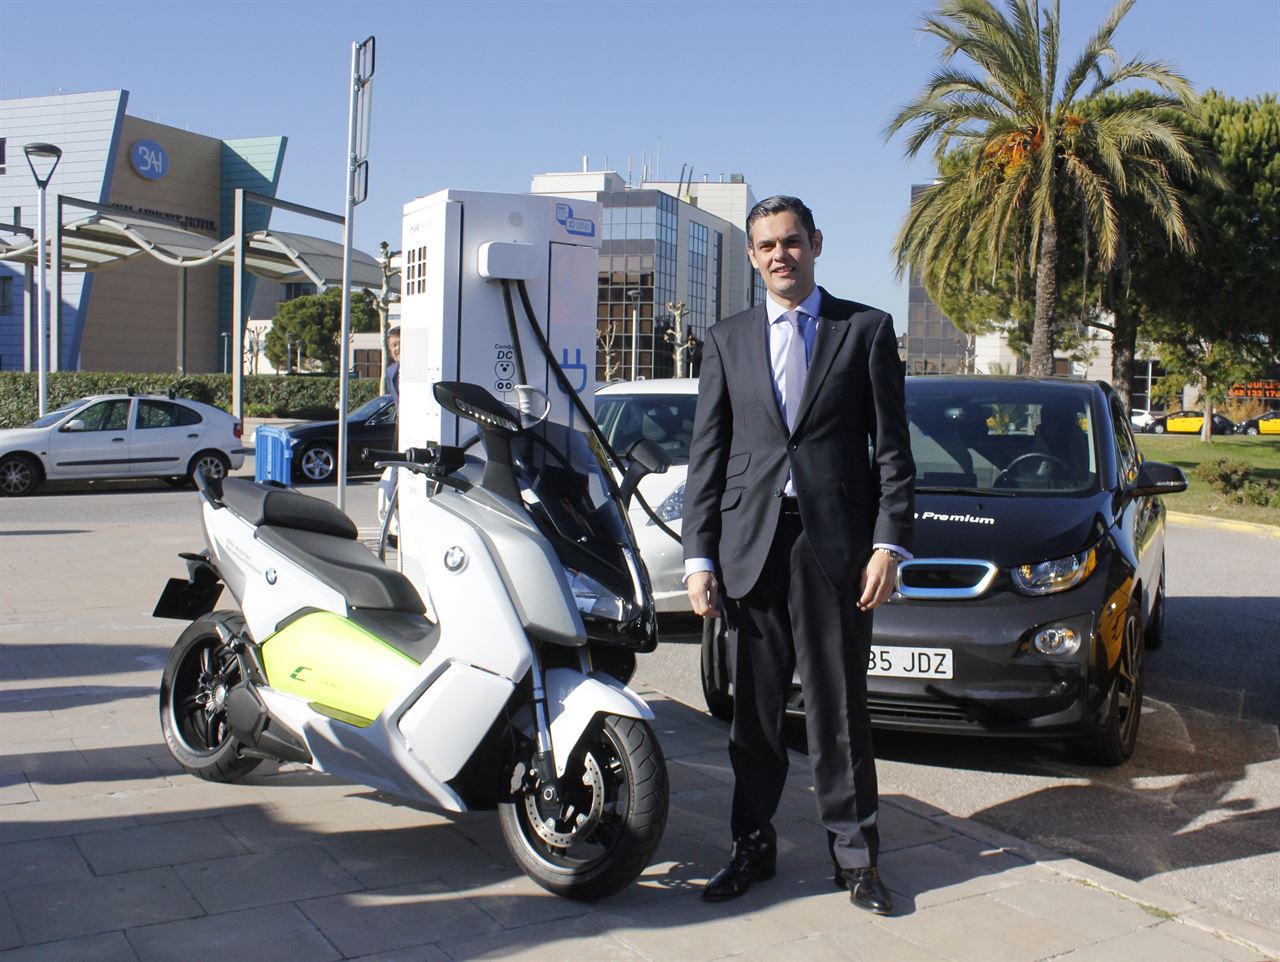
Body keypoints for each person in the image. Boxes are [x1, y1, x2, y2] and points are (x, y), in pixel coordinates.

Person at [683, 196, 915, 915]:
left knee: (838, 711)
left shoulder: (865, 330)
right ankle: (751, 846)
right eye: (766, 246)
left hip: (835, 551)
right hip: (751, 546)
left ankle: (857, 860)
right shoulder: (726, 339)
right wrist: (699, 557)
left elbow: (894, 451)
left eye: (791, 241)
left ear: (815, 244)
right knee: (752, 716)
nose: (780, 254)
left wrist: (888, 542)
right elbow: (707, 458)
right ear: (752, 257)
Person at [383, 325, 401, 402]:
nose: (398, 348)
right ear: (390, 349)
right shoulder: (390, 372)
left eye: (401, 343)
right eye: (394, 345)